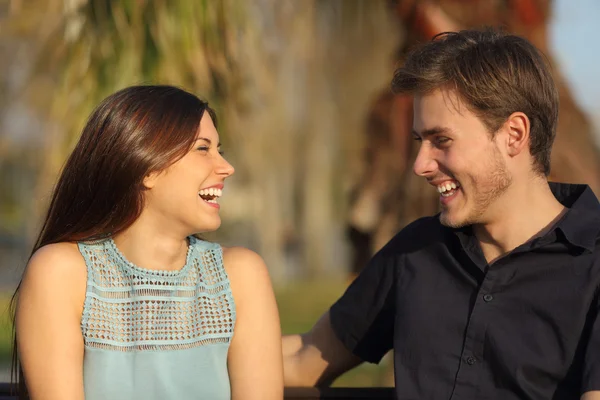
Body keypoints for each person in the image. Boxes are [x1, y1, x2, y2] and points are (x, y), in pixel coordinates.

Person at [282, 28, 600, 400]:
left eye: (442, 141)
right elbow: (304, 359)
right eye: (420, 141)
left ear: (514, 135)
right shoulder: (415, 250)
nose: (419, 165)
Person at [13, 85, 283, 400]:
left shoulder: (241, 276)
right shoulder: (62, 274)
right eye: (202, 149)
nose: (226, 167)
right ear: (147, 168)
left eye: (219, 150)